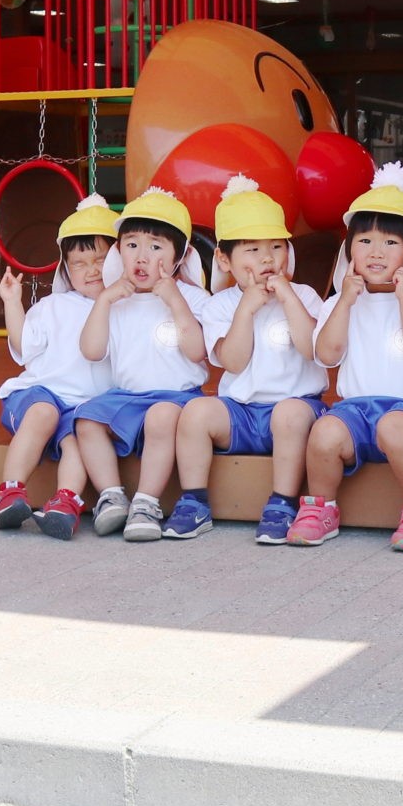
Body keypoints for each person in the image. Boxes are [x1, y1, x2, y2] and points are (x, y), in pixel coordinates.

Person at [293, 163, 403, 551]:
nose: (376, 252)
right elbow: (326, 355)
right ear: (349, 250)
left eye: (391, 242)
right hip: (356, 412)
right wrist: (345, 300)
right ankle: (321, 508)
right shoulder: (339, 303)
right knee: (324, 432)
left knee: (394, 428)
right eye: (364, 241)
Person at [169, 175, 326, 544]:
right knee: (195, 412)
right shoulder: (220, 305)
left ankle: (283, 501)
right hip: (240, 412)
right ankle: (194, 501)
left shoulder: (305, 295)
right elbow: (234, 362)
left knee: (289, 414)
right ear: (225, 259)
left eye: (276, 246)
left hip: (298, 410)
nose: (267, 258)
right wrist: (246, 310)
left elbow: (313, 350)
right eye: (252, 249)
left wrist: (288, 299)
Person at [68, 188, 212, 540]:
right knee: (87, 420)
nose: (142, 257)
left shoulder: (192, 297)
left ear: (180, 256)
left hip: (177, 398)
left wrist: (175, 301)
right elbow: (91, 350)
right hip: (127, 396)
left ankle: (146, 502)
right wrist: (104, 301)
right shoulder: (116, 299)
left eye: (156, 247)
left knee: (160, 417)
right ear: (119, 251)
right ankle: (111, 496)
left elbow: (198, 351)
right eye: (132, 245)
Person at [0, 195, 118, 539]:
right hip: (39, 396)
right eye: (79, 263)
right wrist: (12, 303)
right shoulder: (52, 306)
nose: (92, 270)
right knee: (44, 412)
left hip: (82, 409)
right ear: (65, 268)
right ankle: (10, 492)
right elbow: (24, 347)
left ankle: (65, 502)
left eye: (101, 259)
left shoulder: (124, 309)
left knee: (78, 438)